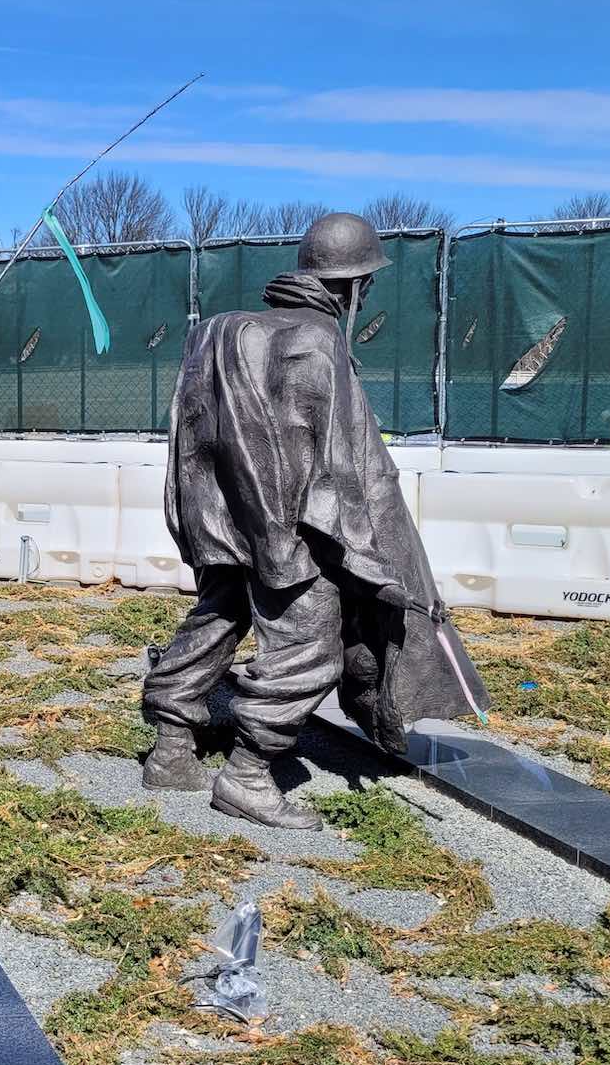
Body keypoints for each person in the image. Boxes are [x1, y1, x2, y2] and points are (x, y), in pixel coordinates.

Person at [141, 212, 486, 829]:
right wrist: (375, 556)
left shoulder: (216, 331)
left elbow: (190, 434)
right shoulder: (321, 341)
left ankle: (170, 750)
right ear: (352, 286)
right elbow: (350, 462)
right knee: (309, 647)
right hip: (289, 533)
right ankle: (247, 775)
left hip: (220, 518)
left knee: (219, 617)